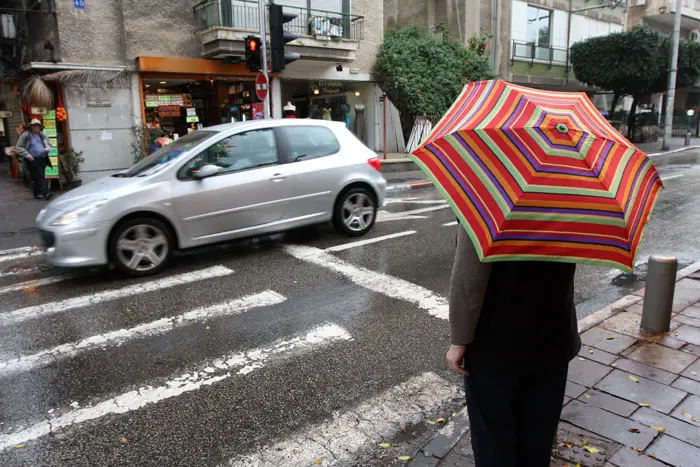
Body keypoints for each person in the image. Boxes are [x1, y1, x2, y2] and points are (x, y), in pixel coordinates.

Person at [446, 227, 579, 467]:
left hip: (497, 342)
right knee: (538, 437)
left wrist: (460, 339)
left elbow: (470, 276)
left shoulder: (489, 199)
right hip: (554, 336)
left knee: (494, 440)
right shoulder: (576, 200)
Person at [14, 119, 52, 199]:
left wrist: (48, 148)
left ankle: (37, 193)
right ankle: (46, 193)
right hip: (33, 159)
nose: (36, 128)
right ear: (31, 127)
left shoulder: (42, 135)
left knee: (38, 176)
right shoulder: (26, 135)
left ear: (40, 127)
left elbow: (49, 144)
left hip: (43, 158)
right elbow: (18, 147)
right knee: (40, 175)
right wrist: (28, 155)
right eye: (34, 126)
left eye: (37, 126)